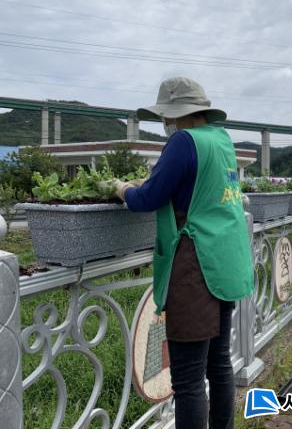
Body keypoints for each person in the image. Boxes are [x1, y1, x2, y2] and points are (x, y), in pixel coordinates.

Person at [106, 77, 253, 429]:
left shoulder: (183, 141)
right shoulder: (221, 139)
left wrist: (120, 188)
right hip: (226, 261)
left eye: (165, 115)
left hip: (196, 266)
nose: (164, 121)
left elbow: (147, 198)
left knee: (187, 379)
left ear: (174, 113)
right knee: (218, 363)